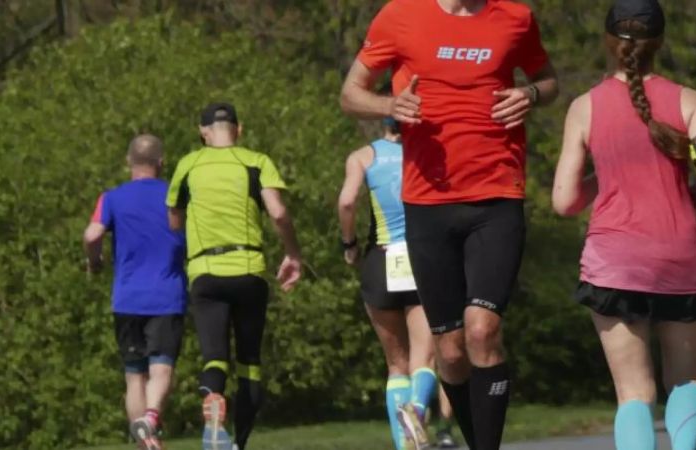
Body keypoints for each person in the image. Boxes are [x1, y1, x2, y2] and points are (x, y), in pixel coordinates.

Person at [340, 1, 558, 448]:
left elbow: (549, 81)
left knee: (483, 328)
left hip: (497, 195)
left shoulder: (514, 17)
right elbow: (350, 94)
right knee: (451, 350)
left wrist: (531, 95)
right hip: (427, 203)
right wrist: (389, 103)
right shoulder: (400, 15)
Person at [551, 1, 696, 449]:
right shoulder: (689, 100)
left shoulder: (584, 107)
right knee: (687, 383)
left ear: (609, 42)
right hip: (678, 257)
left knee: (632, 393)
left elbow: (564, 201)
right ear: (661, 42)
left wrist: (607, 174)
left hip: (614, 262)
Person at [166, 103, 303, 450]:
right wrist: (293, 253)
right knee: (250, 364)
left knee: (214, 357)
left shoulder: (188, 164)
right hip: (249, 269)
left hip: (205, 272)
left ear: (203, 132)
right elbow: (279, 212)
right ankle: (239, 443)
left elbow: (174, 220)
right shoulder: (256, 161)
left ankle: (213, 407)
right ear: (238, 130)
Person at [337, 117, 437, 450]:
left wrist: (348, 244)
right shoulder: (429, 152)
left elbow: (347, 201)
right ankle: (418, 411)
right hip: (422, 257)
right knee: (425, 358)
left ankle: (403, 444)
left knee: (396, 364)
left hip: (381, 260)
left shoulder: (363, 156)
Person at [83, 134, 187, 450]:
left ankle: (146, 444)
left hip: (127, 298)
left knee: (134, 376)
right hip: (166, 295)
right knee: (161, 367)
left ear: (128, 161)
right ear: (161, 163)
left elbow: (92, 235)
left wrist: (95, 261)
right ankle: (152, 418)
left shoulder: (112, 198)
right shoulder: (177, 196)